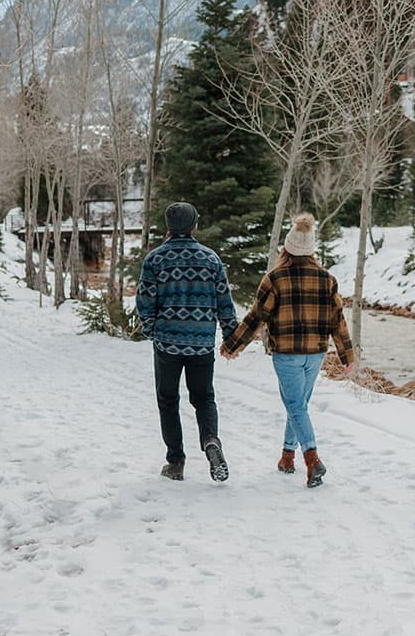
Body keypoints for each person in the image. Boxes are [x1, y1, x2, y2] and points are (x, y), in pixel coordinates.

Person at [220, 213, 354, 488]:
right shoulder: (327, 279)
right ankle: (286, 457)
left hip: (287, 355)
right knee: (299, 406)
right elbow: (337, 321)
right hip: (316, 353)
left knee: (295, 406)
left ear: (287, 249)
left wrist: (233, 345)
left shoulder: (275, 278)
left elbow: (256, 318)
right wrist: (346, 356)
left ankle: (312, 459)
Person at [136, 201, 237, 483]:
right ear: (194, 225)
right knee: (204, 398)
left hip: (167, 342)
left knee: (168, 400)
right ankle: (210, 441)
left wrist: (151, 329)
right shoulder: (211, 259)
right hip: (202, 342)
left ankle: (176, 461)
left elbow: (144, 301)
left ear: (169, 227)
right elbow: (224, 302)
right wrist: (231, 336)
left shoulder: (154, 260)